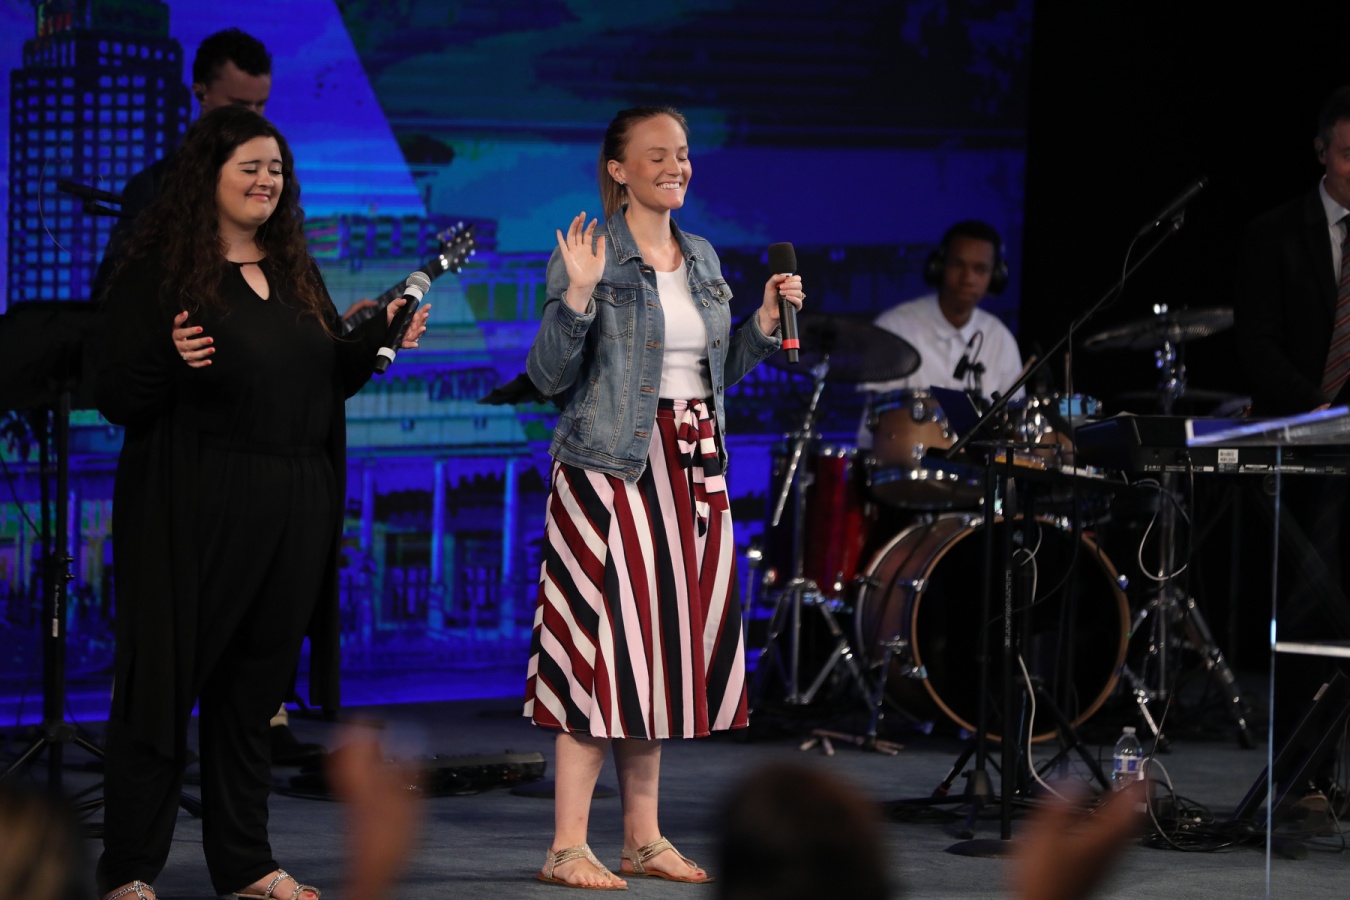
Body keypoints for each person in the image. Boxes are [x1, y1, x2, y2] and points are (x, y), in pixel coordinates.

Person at [93, 105, 429, 900]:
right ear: (207, 177)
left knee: (252, 697)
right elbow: (112, 389)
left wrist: (375, 340)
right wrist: (168, 357)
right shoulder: (160, 272)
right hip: (196, 504)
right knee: (163, 691)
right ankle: (129, 870)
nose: (266, 181)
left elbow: (320, 379)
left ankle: (244, 864)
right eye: (249, 167)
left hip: (293, 504)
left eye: (275, 169)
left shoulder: (293, 270)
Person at [522, 105, 803, 889]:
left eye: (681, 152)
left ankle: (642, 839)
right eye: (656, 155)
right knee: (598, 653)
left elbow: (714, 374)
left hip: (691, 467)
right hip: (610, 471)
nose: (675, 165)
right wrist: (578, 298)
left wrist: (763, 323)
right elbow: (546, 376)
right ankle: (566, 846)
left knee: (655, 658)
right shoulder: (590, 254)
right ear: (618, 169)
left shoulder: (702, 254)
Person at [1233, 84, 1350, 819]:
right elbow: (1256, 346)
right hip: (1307, 449)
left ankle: (1332, 776)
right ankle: (1303, 777)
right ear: (1321, 152)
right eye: (1349, 153)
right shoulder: (1275, 233)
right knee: (1312, 616)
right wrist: (1320, 410)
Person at [862, 220, 1023, 406]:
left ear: (995, 277)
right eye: (958, 265)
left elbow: (1012, 415)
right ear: (938, 267)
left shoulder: (1000, 339)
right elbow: (879, 413)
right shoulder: (893, 327)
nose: (968, 279)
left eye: (980, 269)